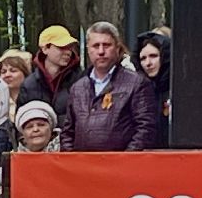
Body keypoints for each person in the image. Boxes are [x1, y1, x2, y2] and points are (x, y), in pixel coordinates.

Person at [60, 22, 157, 152]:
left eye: (106, 45)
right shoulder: (77, 88)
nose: (101, 51)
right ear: (88, 49)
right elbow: (67, 132)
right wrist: (71, 160)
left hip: (122, 163)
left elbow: (145, 129)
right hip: (81, 163)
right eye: (96, 46)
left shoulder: (137, 83)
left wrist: (125, 159)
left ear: (117, 48)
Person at [0, 100, 60, 198]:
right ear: (23, 134)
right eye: (29, 127)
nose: (35, 129)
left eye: (41, 125)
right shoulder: (14, 158)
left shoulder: (65, 151)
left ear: (51, 129)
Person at [18, 25, 83, 120]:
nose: (68, 52)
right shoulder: (28, 85)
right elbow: (22, 120)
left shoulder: (81, 80)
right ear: (45, 49)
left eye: (70, 47)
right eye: (62, 47)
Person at [135, 28, 172, 148]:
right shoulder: (137, 90)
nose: (148, 63)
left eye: (153, 56)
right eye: (143, 58)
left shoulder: (181, 87)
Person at [0, 48, 33, 130]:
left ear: (25, 73)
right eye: (3, 72)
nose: (7, 75)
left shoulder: (34, 98)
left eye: (13, 71)